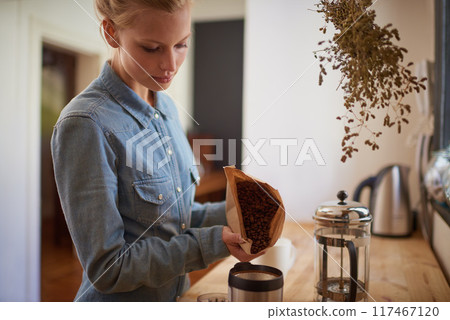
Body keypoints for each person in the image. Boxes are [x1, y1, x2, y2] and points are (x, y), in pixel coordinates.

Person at [51, 0, 261, 302]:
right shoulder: (86, 123)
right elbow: (108, 268)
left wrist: (244, 216)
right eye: (151, 48)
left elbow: (176, 217)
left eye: (182, 44)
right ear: (111, 33)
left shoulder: (167, 109)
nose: (171, 65)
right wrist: (213, 243)